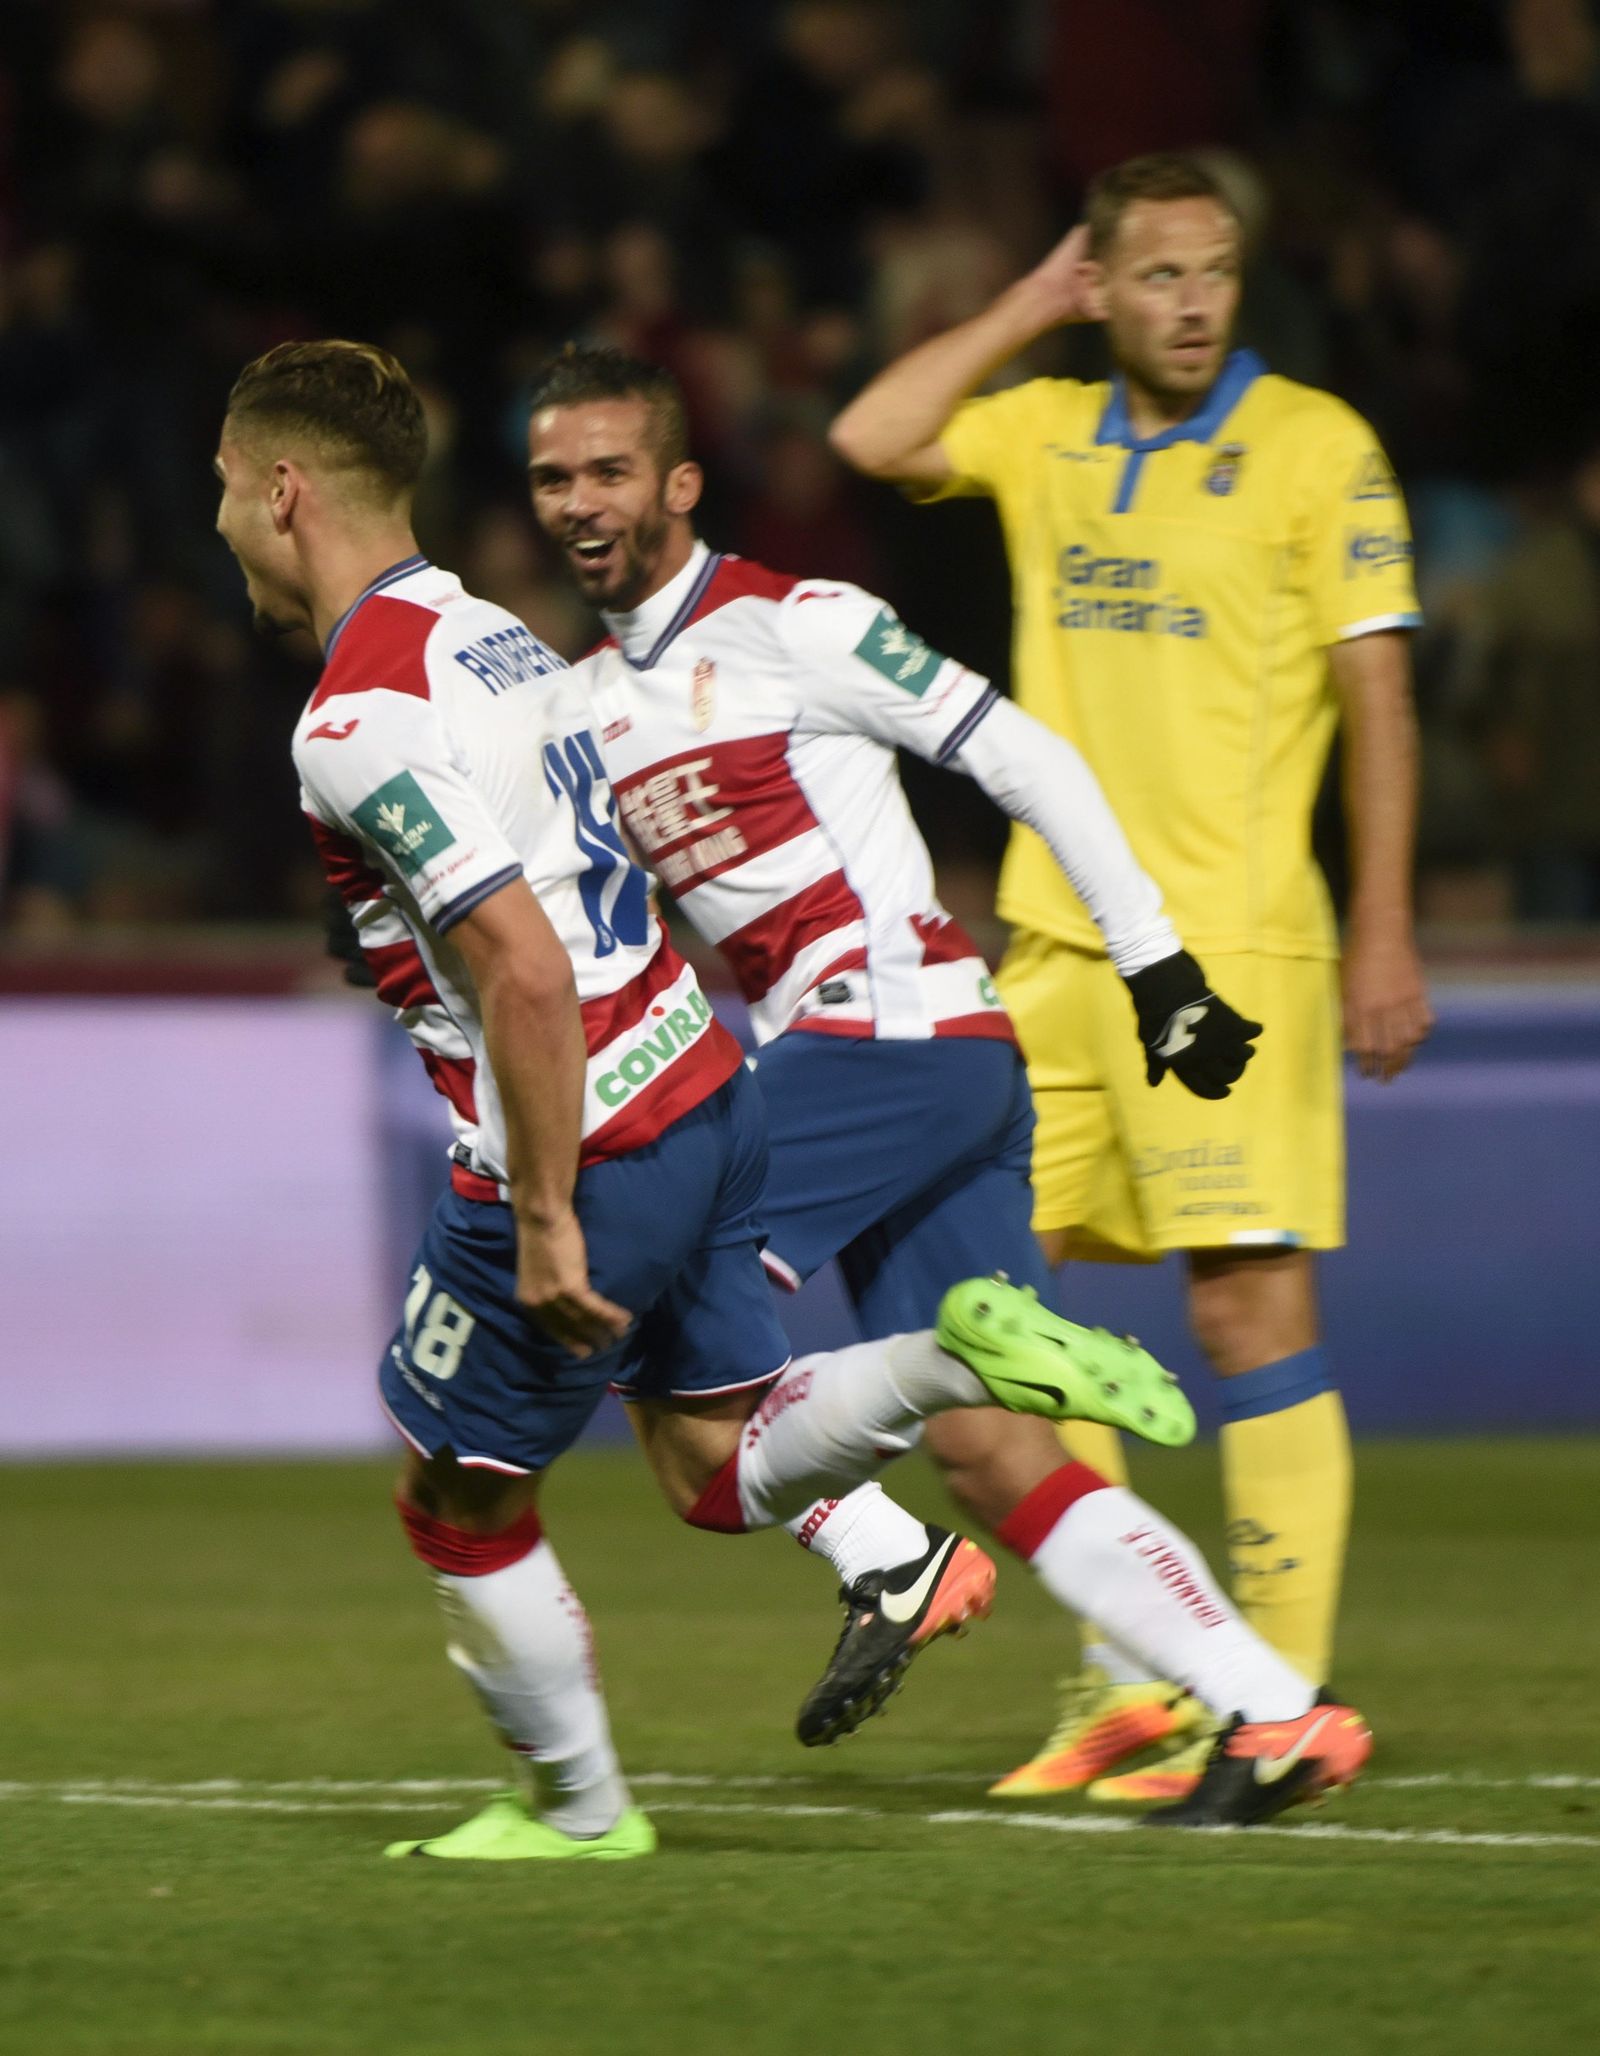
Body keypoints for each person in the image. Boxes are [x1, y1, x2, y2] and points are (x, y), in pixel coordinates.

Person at [213, 337, 1198, 1863]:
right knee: (713, 1460)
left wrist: (542, 1213)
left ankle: (581, 1812)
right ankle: (946, 1359)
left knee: (452, 1498)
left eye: (222, 488)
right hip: (708, 1081)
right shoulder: (502, 640)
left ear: (283, 492)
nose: (216, 521)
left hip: (580, 1133)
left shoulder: (351, 718)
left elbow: (527, 971)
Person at [524, 343, 1373, 1828]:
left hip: (889, 1037)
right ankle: (1279, 1712)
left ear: (678, 482)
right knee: (991, 1449)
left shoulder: (802, 623)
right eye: (552, 478)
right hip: (913, 1069)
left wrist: (1158, 969)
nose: (580, 502)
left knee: (625, 1288)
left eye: (608, 471)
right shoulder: (583, 707)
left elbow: (1029, 756)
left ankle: (884, 1549)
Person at [829, 151, 1433, 1803]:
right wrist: (1027, 307)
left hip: (1230, 943)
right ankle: (1144, 1681)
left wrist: (1381, 923)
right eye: (1154, 273)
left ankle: (1280, 1699)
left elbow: (1376, 699)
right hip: (1054, 943)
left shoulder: (1317, 448)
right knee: (1019, 1328)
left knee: (1245, 1308)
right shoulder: (1045, 432)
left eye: (1214, 270)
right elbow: (869, 438)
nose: (1189, 301)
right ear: (1103, 286)